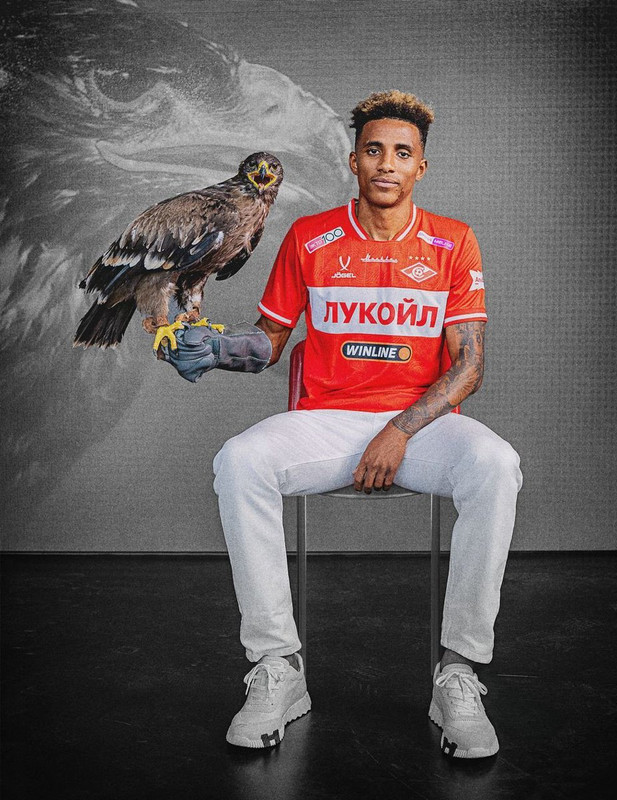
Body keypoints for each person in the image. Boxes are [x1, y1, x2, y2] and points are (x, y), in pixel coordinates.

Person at [161, 90, 523, 758]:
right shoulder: (310, 237)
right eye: (374, 150)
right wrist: (215, 349)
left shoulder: (453, 241)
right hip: (325, 421)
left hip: (419, 428)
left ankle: (458, 673)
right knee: (239, 460)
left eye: (403, 153)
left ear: (420, 167)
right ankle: (278, 667)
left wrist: (399, 430)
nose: (387, 163)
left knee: (497, 464)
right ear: (354, 161)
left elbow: (469, 367)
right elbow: (270, 342)